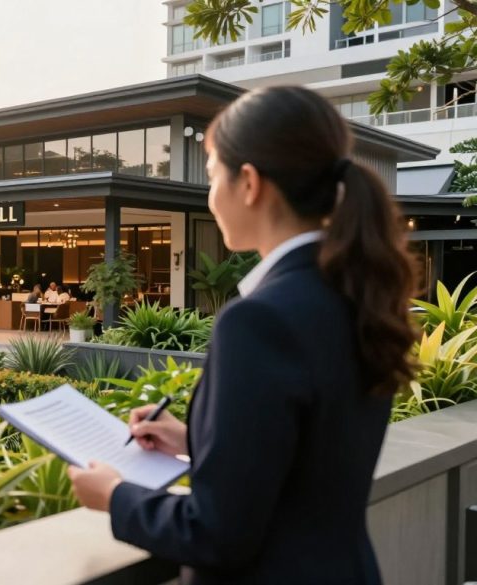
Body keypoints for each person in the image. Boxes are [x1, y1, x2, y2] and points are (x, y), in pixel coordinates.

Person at [66, 86, 418, 584]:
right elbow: (313, 458)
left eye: (212, 176)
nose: (211, 197)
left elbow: (217, 533)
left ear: (249, 183)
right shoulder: (355, 297)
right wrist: (193, 441)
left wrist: (115, 496)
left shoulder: (259, 321)